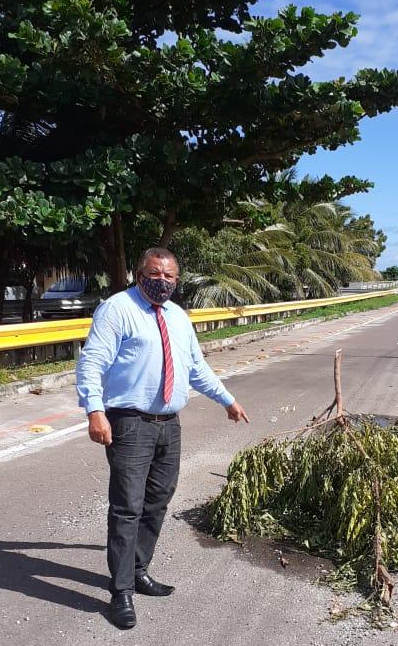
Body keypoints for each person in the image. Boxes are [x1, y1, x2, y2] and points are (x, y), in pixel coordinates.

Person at [76, 247, 249, 629]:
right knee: (127, 506)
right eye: (156, 274)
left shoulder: (178, 317)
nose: (163, 282)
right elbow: (92, 362)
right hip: (129, 422)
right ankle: (120, 591)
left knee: (157, 501)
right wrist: (94, 411)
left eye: (171, 277)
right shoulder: (117, 309)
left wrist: (227, 400)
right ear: (140, 275)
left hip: (169, 423)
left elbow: (194, 367)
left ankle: (139, 570)